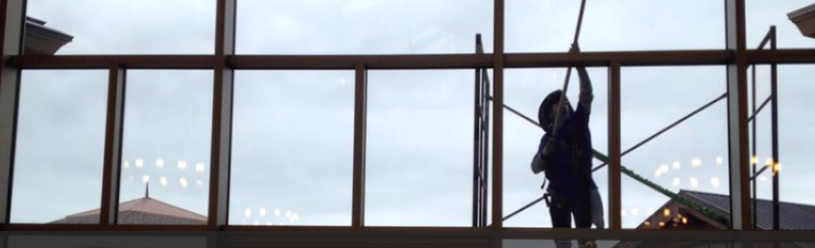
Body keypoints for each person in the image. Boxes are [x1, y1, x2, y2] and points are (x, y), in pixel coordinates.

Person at [530, 44, 601, 248]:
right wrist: (545, 154)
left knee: (587, 243)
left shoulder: (578, 123)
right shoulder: (549, 138)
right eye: (556, 103)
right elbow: (535, 167)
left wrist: (580, 66)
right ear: (551, 114)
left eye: (562, 101)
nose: (562, 104)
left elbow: (586, 95)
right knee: (563, 244)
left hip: (580, 193)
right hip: (559, 196)